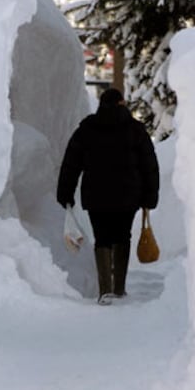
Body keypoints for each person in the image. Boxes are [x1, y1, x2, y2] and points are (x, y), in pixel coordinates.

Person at [57, 88, 159, 305]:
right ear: (122, 104)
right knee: (123, 236)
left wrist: (65, 192)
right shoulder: (135, 130)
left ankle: (105, 290)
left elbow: (71, 163)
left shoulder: (87, 129)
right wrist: (149, 197)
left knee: (102, 238)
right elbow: (149, 165)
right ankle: (119, 288)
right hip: (128, 195)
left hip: (96, 196)